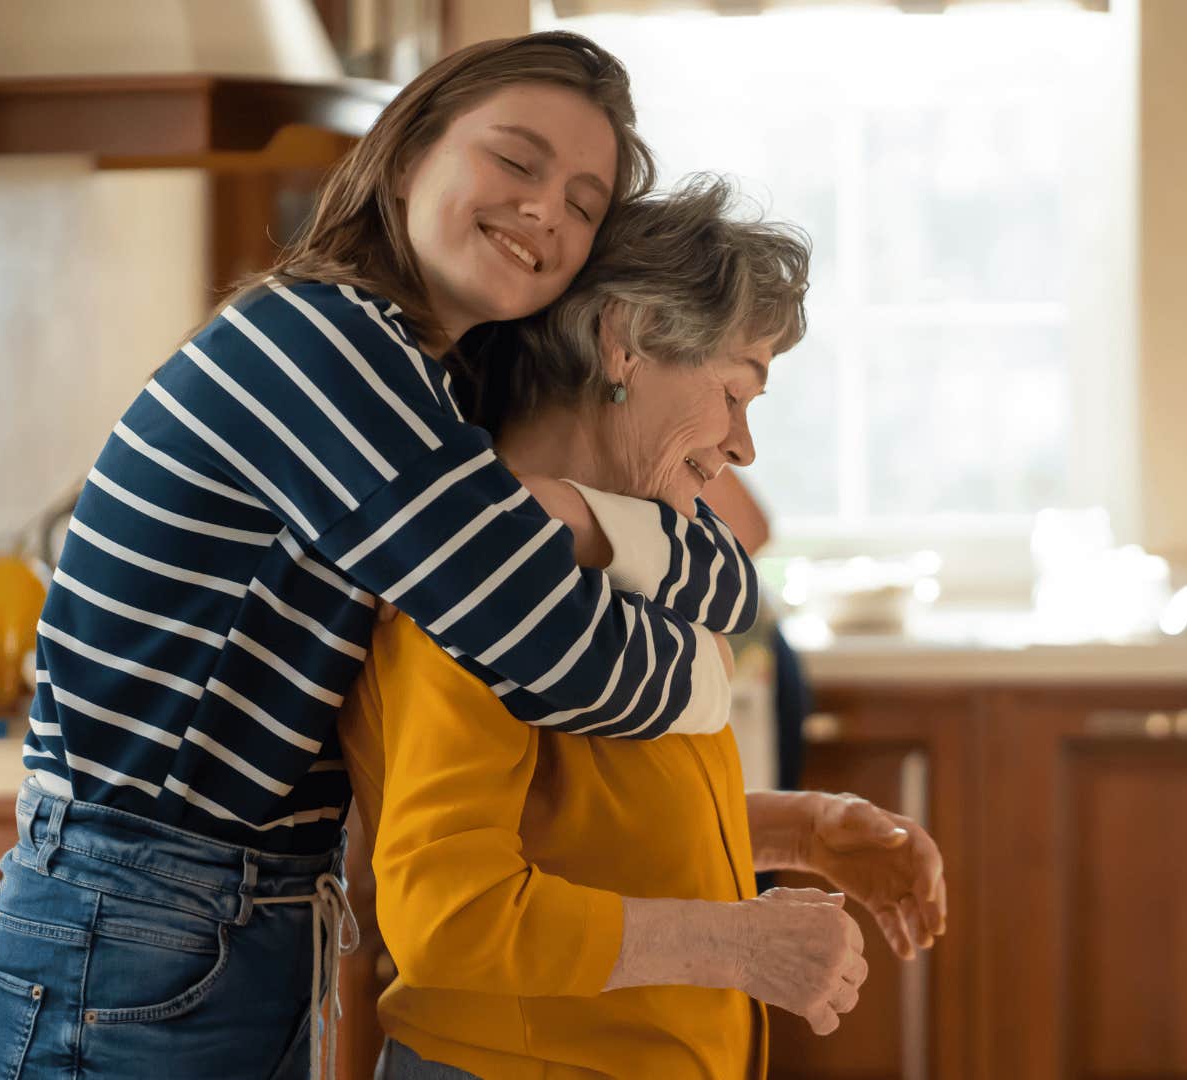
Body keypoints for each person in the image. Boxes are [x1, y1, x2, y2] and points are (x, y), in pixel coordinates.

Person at [0, 33, 763, 1080]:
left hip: (228, 924)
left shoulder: (431, 391)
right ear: (408, 155)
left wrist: (592, 527)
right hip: (125, 921)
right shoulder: (325, 348)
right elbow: (557, 657)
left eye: (586, 203)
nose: (549, 209)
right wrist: (710, 673)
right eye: (517, 160)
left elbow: (726, 569)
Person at [339, 176, 947, 1080]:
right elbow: (451, 919)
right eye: (735, 393)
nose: (743, 447)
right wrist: (737, 947)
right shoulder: (474, 587)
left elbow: (584, 830)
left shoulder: (625, 552)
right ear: (625, 346)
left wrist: (799, 835)